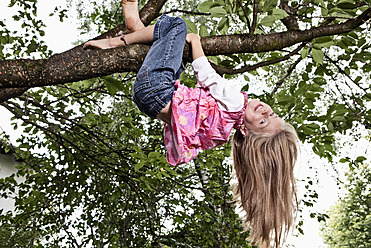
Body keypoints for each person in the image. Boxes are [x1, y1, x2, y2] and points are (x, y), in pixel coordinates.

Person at [84, 0, 299, 247]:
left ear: (245, 130)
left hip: (156, 89)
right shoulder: (222, 132)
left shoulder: (236, 103)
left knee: (177, 26)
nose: (266, 110)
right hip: (150, 101)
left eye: (263, 121)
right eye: (271, 114)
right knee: (168, 48)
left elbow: (207, 75)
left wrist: (195, 42)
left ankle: (120, 39)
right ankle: (138, 27)